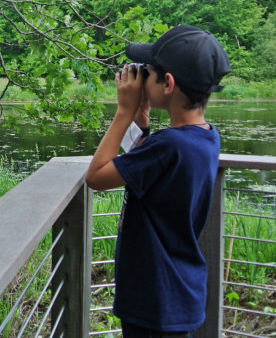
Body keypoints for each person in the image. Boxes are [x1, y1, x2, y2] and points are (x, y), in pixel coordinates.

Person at [85, 25, 232, 338]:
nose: (139, 77)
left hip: (153, 299)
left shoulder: (168, 146)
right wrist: (142, 124)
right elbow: (154, 171)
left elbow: (96, 177)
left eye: (146, 71)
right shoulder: (206, 137)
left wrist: (124, 112)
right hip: (177, 292)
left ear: (168, 83)